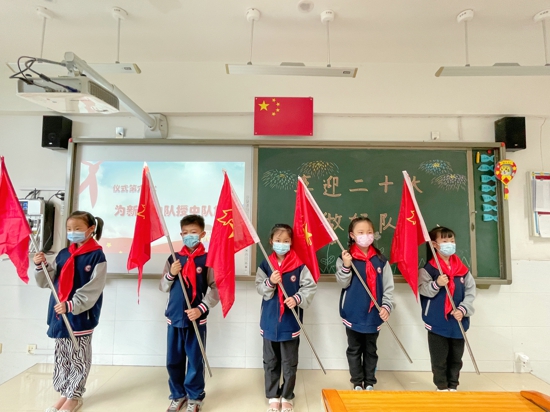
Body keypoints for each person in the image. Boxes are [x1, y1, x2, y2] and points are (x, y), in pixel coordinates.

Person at [34, 211, 107, 412]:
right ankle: (64, 393)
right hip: (59, 313)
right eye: (69, 229)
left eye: (77, 229)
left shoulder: (97, 255)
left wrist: (72, 304)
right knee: (62, 355)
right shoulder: (64, 254)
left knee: (79, 356)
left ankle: (74, 396)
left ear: (91, 229)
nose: (72, 232)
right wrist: (41, 266)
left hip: (80, 314)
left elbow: (94, 287)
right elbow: (50, 281)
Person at [160, 215, 219, 412]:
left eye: (193, 232)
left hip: (196, 318)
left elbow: (216, 288)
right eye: (185, 233)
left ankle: (195, 397)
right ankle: (177, 395)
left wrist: (201, 308)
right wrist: (171, 273)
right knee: (173, 360)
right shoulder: (173, 258)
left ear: (202, 234)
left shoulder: (208, 259)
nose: (189, 236)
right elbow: (163, 286)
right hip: (174, 317)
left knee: (195, 360)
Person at [255, 223, 317, 412]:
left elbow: (310, 287)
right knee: (270, 361)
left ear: (291, 243)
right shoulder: (266, 264)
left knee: (289, 362)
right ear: (271, 241)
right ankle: (273, 395)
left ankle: (287, 396)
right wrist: (270, 282)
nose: (281, 244)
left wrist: (297, 298)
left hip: (290, 322)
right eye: (278, 240)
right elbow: (259, 287)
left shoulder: (299, 265)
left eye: (286, 241)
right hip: (270, 320)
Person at [335, 217, 394, 391]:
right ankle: (357, 382)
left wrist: (387, 306)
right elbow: (342, 283)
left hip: (374, 314)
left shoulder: (381, 260)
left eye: (369, 232)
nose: (366, 235)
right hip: (353, 313)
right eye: (360, 232)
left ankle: (369, 382)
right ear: (352, 235)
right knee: (354, 349)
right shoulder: (345, 258)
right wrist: (346, 266)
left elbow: (388, 287)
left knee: (371, 350)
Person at [418, 226, 476, 392]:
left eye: (452, 241)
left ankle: (453, 384)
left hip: (458, 320)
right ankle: (441, 386)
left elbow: (471, 292)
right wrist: (436, 284)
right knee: (439, 358)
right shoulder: (429, 269)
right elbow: (422, 289)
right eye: (445, 241)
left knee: (456, 357)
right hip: (437, 321)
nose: (449, 244)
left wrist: (463, 309)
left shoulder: (463, 270)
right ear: (434, 244)